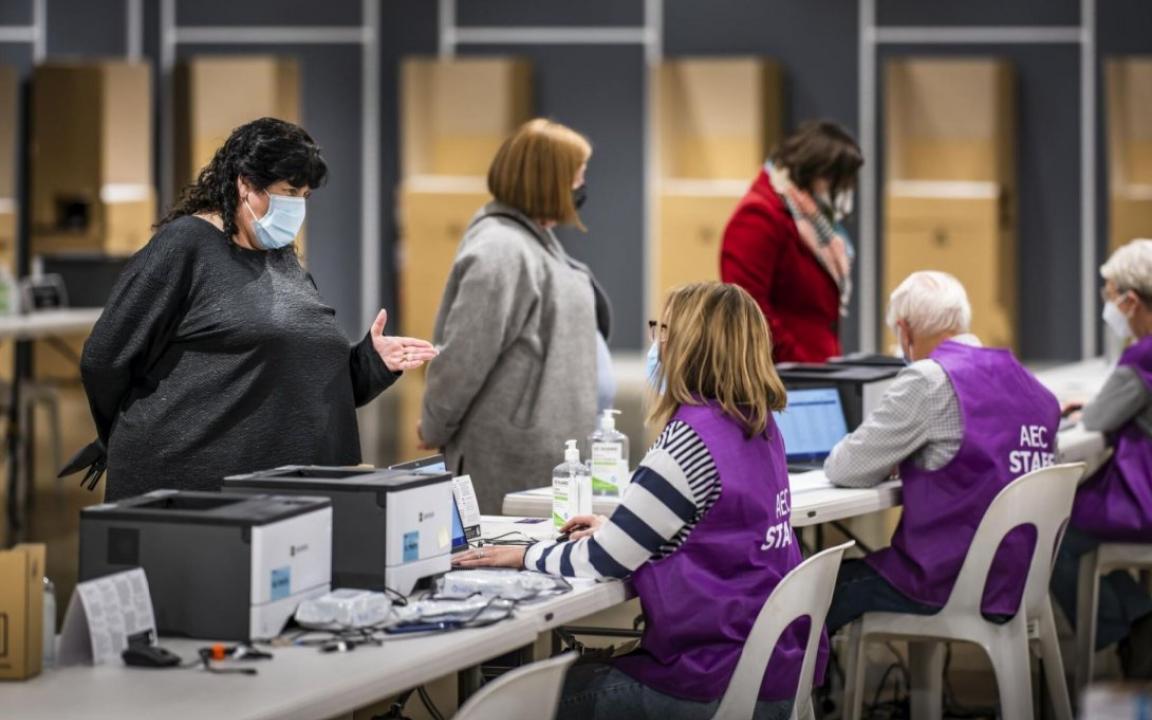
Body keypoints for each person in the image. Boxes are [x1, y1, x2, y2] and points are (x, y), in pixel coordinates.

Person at [455, 282, 822, 720]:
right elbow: (714, 529)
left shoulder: (689, 443)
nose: (657, 343)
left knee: (528, 698)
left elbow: (604, 561)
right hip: (771, 672)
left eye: (663, 330)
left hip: (712, 682)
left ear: (691, 346)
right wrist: (619, 532)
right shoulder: (761, 428)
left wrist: (526, 554)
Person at [72, 118, 437, 500]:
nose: (296, 206)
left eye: (305, 196)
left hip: (280, 491)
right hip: (192, 487)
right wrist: (121, 430)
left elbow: (299, 375)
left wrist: (370, 362)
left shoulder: (280, 258)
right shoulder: (184, 246)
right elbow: (104, 358)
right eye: (289, 191)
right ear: (245, 184)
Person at [822, 271, 1060, 632]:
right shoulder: (1027, 383)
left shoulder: (928, 379)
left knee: (820, 588)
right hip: (1019, 581)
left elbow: (845, 467)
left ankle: (802, 690)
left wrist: (893, 455)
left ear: (904, 330)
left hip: (946, 582)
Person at [418, 118, 613, 513]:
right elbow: (463, 357)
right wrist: (434, 425)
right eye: (576, 178)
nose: (581, 188)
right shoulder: (500, 250)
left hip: (544, 458)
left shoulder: (532, 239)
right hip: (507, 464)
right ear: (547, 181)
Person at [1049, 239, 1152, 678]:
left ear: (1130, 301)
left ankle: (1132, 624)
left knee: (1051, 531)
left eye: (1110, 295)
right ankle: (1138, 618)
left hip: (1143, 499)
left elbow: (1100, 417)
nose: (1108, 306)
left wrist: (1085, 406)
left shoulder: (1142, 354)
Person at [720, 120, 863, 363]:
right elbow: (748, 308)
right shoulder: (759, 216)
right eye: (837, 180)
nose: (842, 190)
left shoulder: (810, 217)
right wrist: (797, 362)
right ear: (814, 170)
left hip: (814, 369)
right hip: (785, 375)